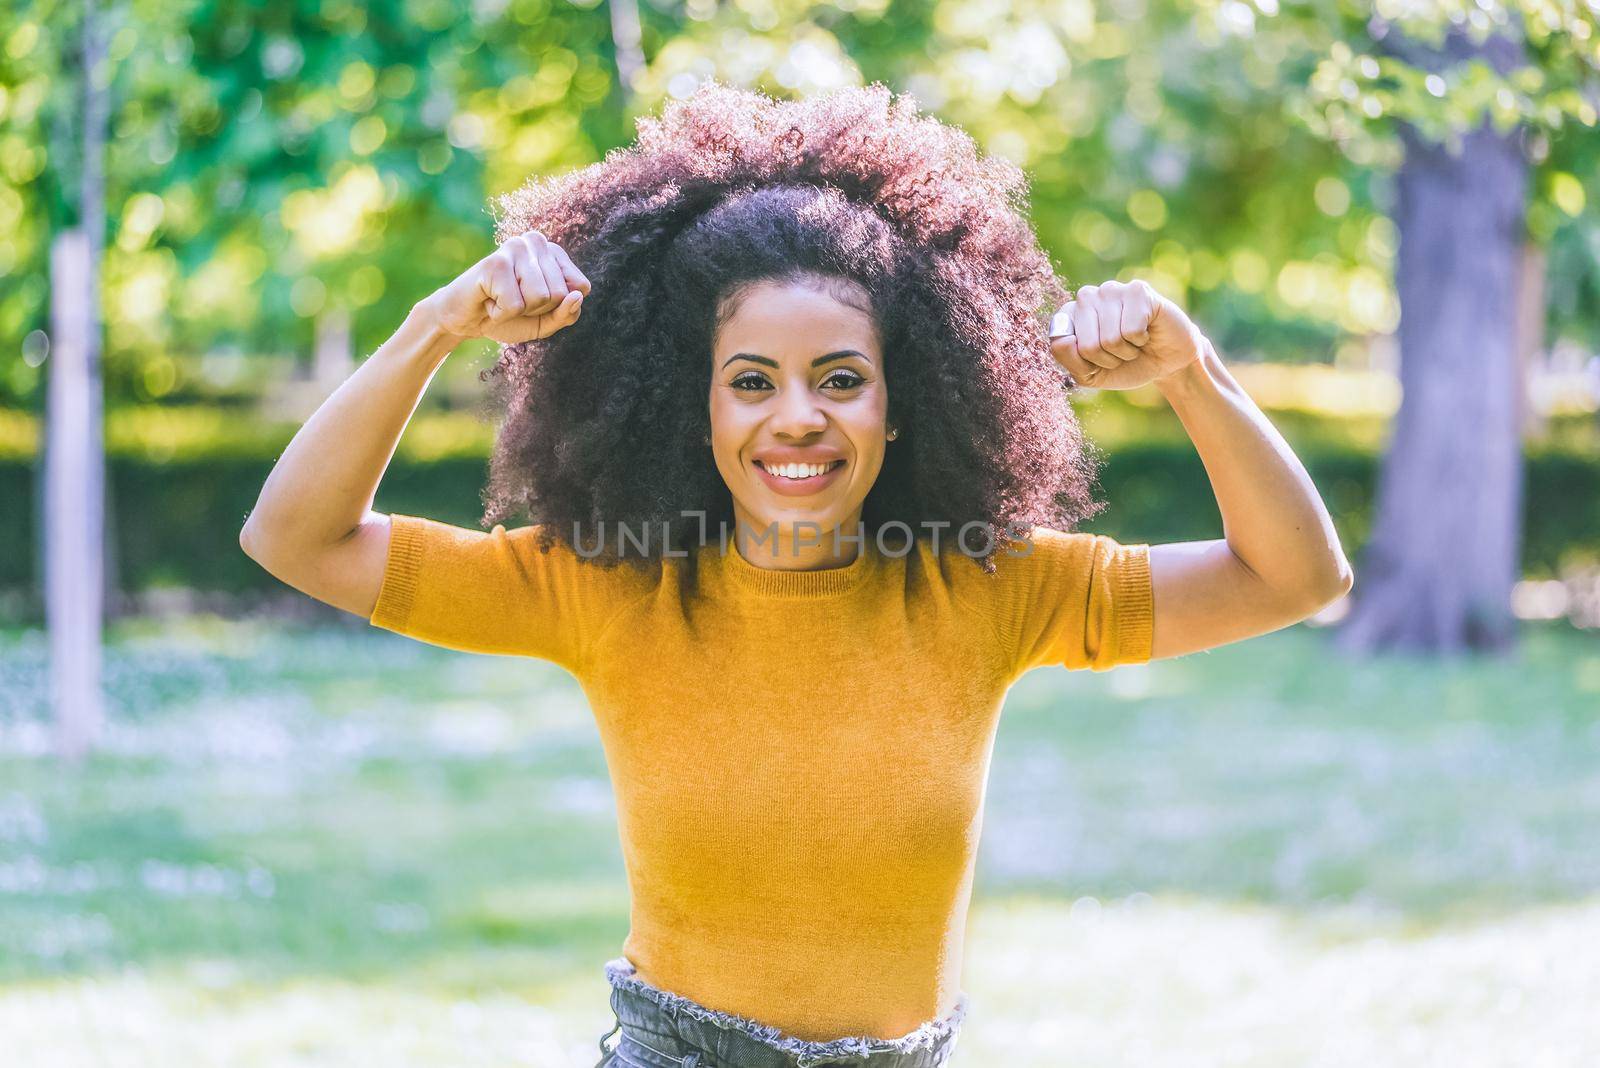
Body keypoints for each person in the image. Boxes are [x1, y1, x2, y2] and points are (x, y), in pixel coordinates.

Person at [240, 81, 1353, 1068]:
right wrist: (438, 325)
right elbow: (298, 538)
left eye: (838, 379)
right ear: (699, 404)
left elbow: (1292, 577)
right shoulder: (607, 584)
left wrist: (1190, 370)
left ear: (901, 399)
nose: (797, 419)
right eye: (752, 381)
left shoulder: (989, 585)